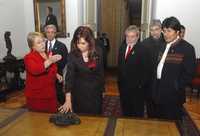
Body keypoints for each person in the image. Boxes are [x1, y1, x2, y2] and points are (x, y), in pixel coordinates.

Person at [152, 17, 196, 120]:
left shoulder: (187, 48)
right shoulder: (161, 46)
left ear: (177, 32)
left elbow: (189, 73)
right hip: (158, 91)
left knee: (172, 125)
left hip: (173, 95)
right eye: (164, 31)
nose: (165, 34)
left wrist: (176, 85)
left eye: (169, 31)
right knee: (158, 122)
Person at [59, 26, 104, 114]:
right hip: (79, 92)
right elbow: (69, 78)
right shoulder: (72, 55)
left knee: (96, 119)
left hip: (95, 92)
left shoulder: (98, 52)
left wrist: (102, 89)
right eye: (78, 43)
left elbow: (100, 72)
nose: (79, 46)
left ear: (90, 42)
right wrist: (68, 99)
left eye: (83, 43)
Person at [24, 32, 62, 113]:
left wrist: (56, 74)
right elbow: (36, 70)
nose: (42, 44)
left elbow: (51, 68)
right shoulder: (29, 57)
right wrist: (50, 60)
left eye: (43, 41)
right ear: (32, 46)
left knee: (52, 119)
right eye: (39, 42)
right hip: (38, 97)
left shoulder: (47, 54)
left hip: (51, 93)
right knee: (40, 121)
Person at [118, 25, 146, 117]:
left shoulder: (143, 49)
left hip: (136, 88)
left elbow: (146, 70)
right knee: (125, 110)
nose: (129, 39)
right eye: (127, 36)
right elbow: (120, 66)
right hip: (123, 86)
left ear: (137, 37)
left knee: (136, 112)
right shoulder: (122, 48)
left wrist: (140, 85)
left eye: (132, 36)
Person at [141, 19, 165, 118]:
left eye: (156, 29)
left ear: (161, 30)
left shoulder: (167, 42)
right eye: (152, 30)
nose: (154, 32)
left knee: (161, 105)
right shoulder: (144, 43)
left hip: (162, 80)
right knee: (150, 103)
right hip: (149, 79)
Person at [45, 24, 68, 105]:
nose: (50, 34)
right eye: (48, 32)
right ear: (45, 33)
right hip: (45, 74)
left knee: (59, 94)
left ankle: (64, 109)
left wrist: (53, 65)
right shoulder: (42, 45)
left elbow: (65, 61)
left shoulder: (62, 46)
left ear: (55, 33)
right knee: (47, 94)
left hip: (58, 74)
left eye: (52, 32)